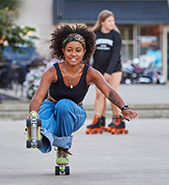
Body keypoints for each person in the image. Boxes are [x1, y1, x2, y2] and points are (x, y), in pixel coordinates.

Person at [28, 25, 138, 166]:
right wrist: (32, 116)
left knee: (64, 104)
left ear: (84, 52)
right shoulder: (52, 72)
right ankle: (38, 131)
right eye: (69, 50)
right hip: (50, 110)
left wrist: (124, 108)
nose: (73, 54)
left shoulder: (90, 73)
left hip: (74, 114)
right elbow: (38, 97)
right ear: (63, 51)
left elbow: (109, 90)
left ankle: (62, 148)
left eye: (78, 50)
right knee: (44, 110)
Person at [86, 9, 124, 134]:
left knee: (112, 94)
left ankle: (118, 119)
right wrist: (87, 70)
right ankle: (98, 119)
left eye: (113, 21)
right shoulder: (94, 34)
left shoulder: (116, 36)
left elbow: (115, 55)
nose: (112, 23)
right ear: (102, 22)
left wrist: (108, 72)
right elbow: (88, 54)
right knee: (99, 95)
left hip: (114, 70)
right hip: (99, 70)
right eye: (109, 21)